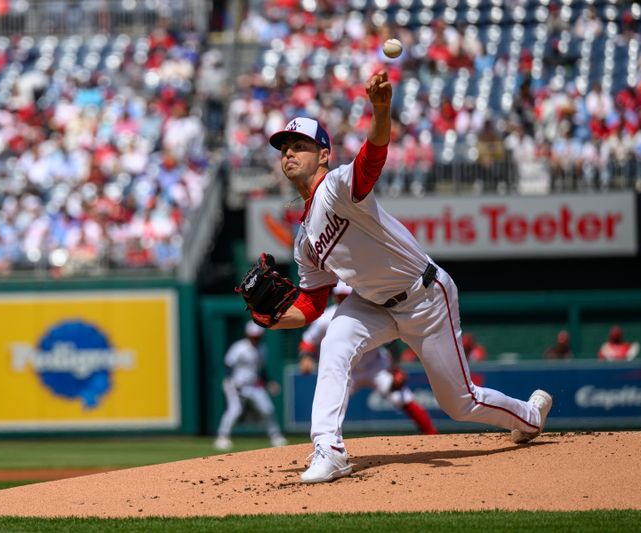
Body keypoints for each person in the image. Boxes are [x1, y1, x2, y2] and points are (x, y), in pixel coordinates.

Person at [254, 70, 552, 484]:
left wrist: (380, 108)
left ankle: (531, 416)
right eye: (284, 147)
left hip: (424, 295)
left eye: (299, 145)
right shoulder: (304, 241)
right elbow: (311, 304)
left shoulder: (338, 185)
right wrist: (268, 318)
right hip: (372, 303)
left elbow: (372, 158)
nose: (288, 153)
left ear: (323, 154)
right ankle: (329, 448)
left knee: (459, 403)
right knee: (335, 341)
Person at [298, 281, 437, 435]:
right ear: (335, 297)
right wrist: (306, 357)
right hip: (347, 372)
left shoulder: (368, 315)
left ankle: (432, 435)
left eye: (347, 296)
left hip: (376, 367)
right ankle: (325, 442)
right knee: (330, 402)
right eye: (341, 296)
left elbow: (392, 343)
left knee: (401, 397)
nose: (344, 300)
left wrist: (396, 367)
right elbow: (308, 341)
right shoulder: (327, 318)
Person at [213, 322, 288, 451]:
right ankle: (222, 437)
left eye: (257, 336)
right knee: (235, 410)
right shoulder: (239, 347)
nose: (255, 339)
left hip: (253, 384)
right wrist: (231, 382)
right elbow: (228, 365)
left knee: (267, 409)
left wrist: (269, 382)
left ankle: (275, 436)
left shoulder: (262, 348)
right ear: (248, 335)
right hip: (235, 384)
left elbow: (260, 369)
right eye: (253, 336)